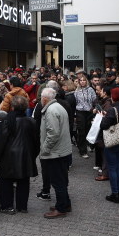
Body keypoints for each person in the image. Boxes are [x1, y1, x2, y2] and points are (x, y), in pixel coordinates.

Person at [0, 96, 39, 214]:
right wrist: (33, 155)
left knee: (6, 181)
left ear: (13, 107)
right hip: (26, 155)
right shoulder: (31, 121)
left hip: (8, 155)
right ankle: (22, 206)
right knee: (24, 180)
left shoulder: (8, 120)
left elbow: (1, 141)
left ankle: (7, 206)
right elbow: (36, 141)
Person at [39, 88, 72, 218]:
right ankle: (65, 203)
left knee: (57, 180)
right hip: (61, 150)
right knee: (61, 179)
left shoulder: (51, 110)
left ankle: (61, 208)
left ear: (44, 99)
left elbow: (53, 133)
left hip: (55, 152)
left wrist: (45, 149)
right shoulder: (57, 106)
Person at [100, 88, 119, 203]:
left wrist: (104, 117)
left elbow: (104, 125)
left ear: (114, 97)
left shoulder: (113, 110)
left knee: (112, 168)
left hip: (112, 141)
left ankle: (115, 194)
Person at [74, 75, 96, 159]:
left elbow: (94, 100)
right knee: (81, 131)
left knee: (88, 130)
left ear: (86, 81)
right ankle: (82, 151)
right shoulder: (77, 90)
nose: (82, 82)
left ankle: (85, 145)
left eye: (84, 80)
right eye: (81, 80)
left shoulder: (90, 90)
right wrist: (74, 115)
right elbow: (75, 102)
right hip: (80, 111)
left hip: (89, 111)